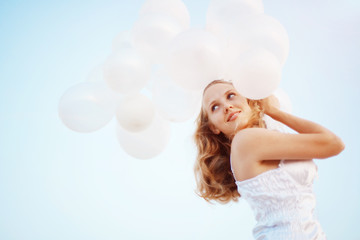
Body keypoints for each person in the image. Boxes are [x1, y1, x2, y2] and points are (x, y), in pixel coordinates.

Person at [193, 79, 345, 239]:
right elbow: (333, 143)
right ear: (213, 127)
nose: (226, 106)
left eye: (231, 95)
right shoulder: (245, 140)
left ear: (248, 99)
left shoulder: (261, 141)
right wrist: (274, 111)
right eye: (214, 107)